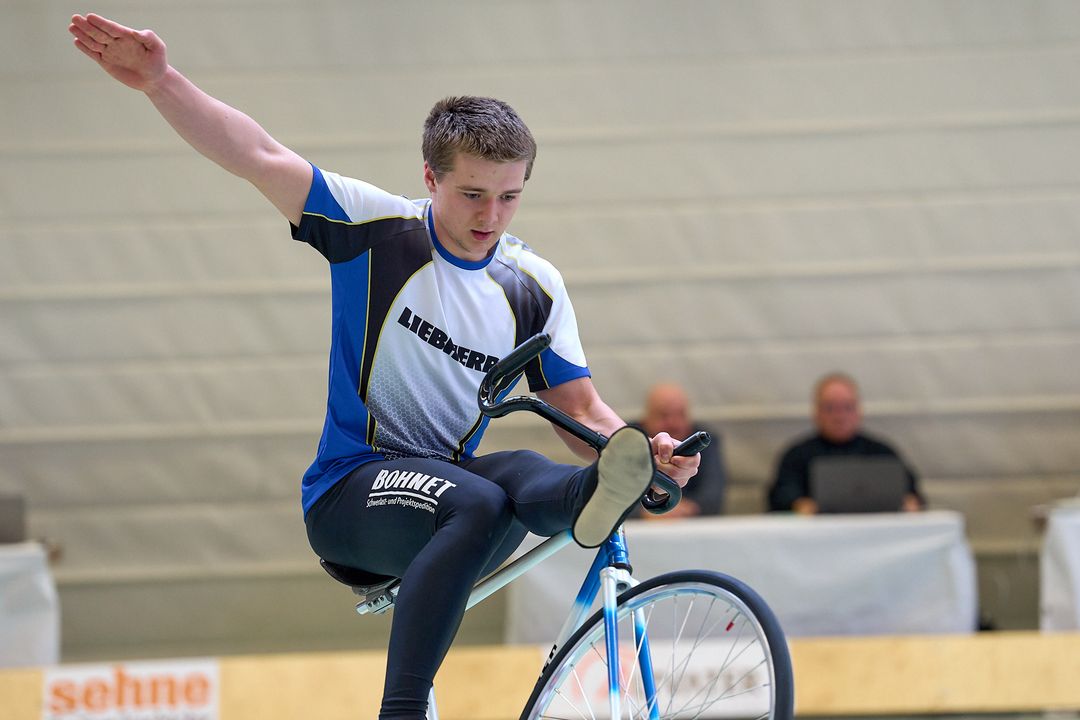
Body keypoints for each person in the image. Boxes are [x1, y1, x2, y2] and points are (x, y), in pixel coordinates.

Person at [68, 13, 699, 719]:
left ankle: (597, 491)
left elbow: (581, 410)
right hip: (351, 497)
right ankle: (401, 710)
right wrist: (160, 82)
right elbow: (256, 153)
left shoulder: (535, 287)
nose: (492, 216)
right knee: (482, 497)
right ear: (430, 177)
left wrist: (643, 452)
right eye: (472, 194)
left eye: (510, 196)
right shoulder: (375, 231)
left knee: (519, 471)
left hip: (457, 505)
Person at [767, 372, 923, 514]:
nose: (839, 416)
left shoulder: (882, 453)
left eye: (847, 407)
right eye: (830, 408)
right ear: (816, 412)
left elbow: (912, 494)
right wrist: (798, 505)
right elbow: (781, 496)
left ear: (859, 411)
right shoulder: (796, 455)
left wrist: (910, 502)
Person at [633, 382, 726, 518]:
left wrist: (684, 509)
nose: (674, 423)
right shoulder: (630, 440)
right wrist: (643, 514)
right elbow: (611, 494)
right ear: (646, 418)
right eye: (664, 415)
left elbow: (714, 494)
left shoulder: (703, 441)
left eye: (681, 414)